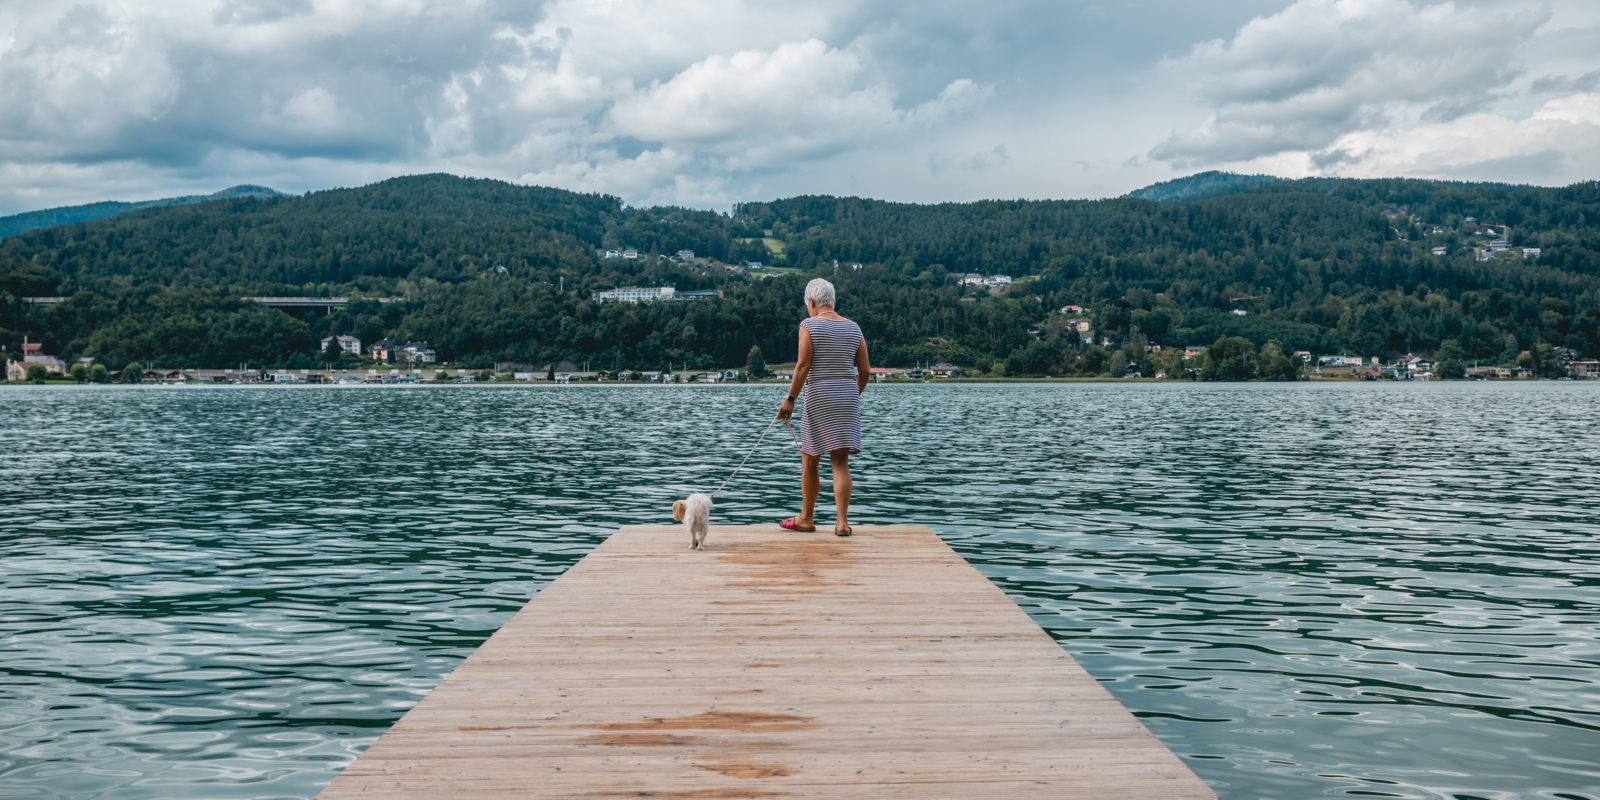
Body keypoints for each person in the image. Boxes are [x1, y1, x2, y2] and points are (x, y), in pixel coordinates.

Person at [776, 278, 870, 536]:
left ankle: (806, 518)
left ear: (812, 302)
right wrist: (852, 394)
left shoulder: (809, 325)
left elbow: (803, 366)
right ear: (833, 301)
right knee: (840, 460)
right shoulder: (854, 328)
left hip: (819, 394)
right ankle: (841, 524)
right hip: (848, 396)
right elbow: (864, 371)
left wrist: (791, 399)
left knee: (810, 459)